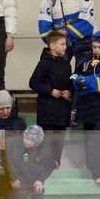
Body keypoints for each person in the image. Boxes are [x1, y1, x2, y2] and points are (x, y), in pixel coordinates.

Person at [38, 0, 96, 70]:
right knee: (57, 71)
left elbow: (88, 16)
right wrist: (51, 38)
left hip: (82, 39)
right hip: (60, 41)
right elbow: (44, 14)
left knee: (83, 72)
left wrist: (67, 31)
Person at [29, 30, 73, 168]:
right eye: (62, 44)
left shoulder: (66, 64)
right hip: (47, 112)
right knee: (45, 144)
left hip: (62, 112)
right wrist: (50, 91)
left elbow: (70, 83)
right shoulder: (44, 63)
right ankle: (43, 168)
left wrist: (70, 92)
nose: (65, 47)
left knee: (58, 144)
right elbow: (34, 82)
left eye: (65, 44)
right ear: (52, 46)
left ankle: (56, 166)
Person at [6, 125, 53, 199]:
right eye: (25, 138)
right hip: (20, 180)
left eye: (29, 140)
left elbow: (50, 166)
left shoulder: (45, 150)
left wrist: (41, 180)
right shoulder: (17, 146)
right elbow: (10, 163)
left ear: (37, 142)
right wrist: (13, 178)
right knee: (19, 198)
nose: (26, 141)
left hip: (35, 180)